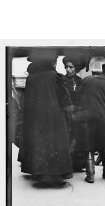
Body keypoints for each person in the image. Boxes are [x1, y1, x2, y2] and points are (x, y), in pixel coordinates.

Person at [18, 51, 73, 186]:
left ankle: (40, 173)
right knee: (55, 143)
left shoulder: (31, 78)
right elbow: (64, 98)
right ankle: (56, 174)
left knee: (39, 143)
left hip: (35, 118)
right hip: (55, 117)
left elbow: (27, 101)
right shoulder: (55, 77)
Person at [74, 61, 105, 183]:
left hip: (85, 117)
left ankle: (90, 174)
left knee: (89, 145)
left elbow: (77, 98)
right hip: (103, 120)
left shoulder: (87, 80)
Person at [62, 56, 86, 172]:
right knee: (66, 139)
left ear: (75, 68)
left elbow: (83, 98)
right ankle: (66, 165)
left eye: (70, 67)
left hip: (78, 115)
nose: (68, 69)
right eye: (66, 67)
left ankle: (77, 164)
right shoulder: (61, 80)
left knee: (77, 139)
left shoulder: (80, 81)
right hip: (65, 116)